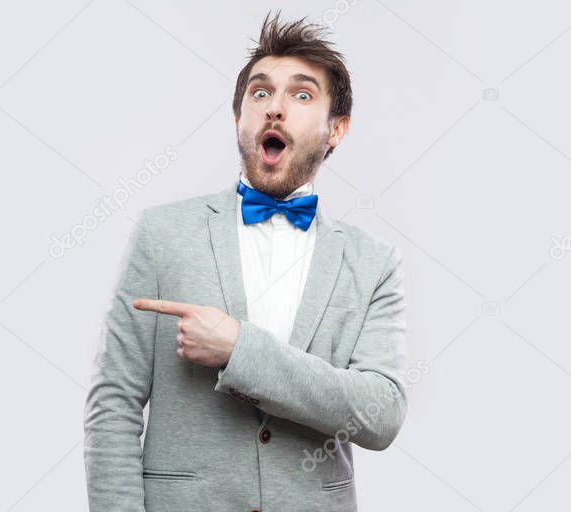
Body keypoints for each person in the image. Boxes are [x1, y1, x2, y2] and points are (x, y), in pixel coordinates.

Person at [83, 11, 408, 512]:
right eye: (260, 93)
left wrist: (240, 350)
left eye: (302, 95)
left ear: (336, 128)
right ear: (239, 118)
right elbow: (113, 406)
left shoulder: (373, 262)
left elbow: (381, 415)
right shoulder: (161, 234)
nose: (275, 108)